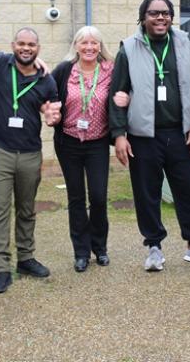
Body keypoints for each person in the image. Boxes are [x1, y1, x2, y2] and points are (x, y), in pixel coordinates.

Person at [109, 0, 190, 271]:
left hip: (181, 134)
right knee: (146, 192)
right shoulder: (128, 48)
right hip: (143, 137)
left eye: (165, 13)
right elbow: (117, 92)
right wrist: (118, 134)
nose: (160, 18)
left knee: (188, 189)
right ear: (143, 17)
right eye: (154, 13)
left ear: (172, 17)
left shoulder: (186, 44)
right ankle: (154, 247)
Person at [0, 28, 59, 294]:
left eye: (31, 45)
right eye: (21, 43)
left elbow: (52, 110)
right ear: (13, 44)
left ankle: (26, 259)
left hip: (30, 153)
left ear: (38, 48)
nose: (26, 48)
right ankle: (1, 268)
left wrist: (52, 116)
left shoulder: (46, 80)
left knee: (27, 209)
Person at [52, 26, 128, 272]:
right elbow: (46, 91)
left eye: (94, 43)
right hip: (68, 142)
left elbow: (124, 92)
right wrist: (48, 112)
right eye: (84, 43)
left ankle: (100, 248)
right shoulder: (65, 70)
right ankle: (81, 252)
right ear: (76, 46)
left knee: (98, 197)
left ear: (100, 46)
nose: (89, 47)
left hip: (96, 143)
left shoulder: (110, 70)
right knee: (76, 198)